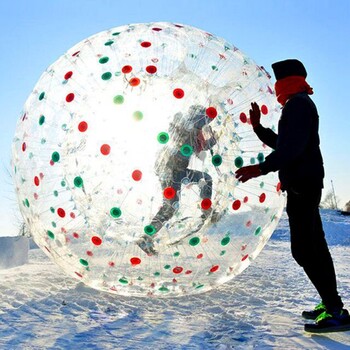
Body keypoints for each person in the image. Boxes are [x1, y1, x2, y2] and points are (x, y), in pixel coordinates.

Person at [235, 59, 349, 333]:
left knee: (304, 249)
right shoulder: (298, 105)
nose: (276, 88)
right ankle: (331, 304)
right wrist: (259, 129)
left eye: (278, 82)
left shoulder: (298, 105)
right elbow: (285, 143)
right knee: (315, 247)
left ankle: (335, 310)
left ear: (285, 83)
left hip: (303, 185)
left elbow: (292, 149)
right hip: (304, 184)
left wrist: (260, 168)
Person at [137, 105, 217, 255]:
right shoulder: (186, 127)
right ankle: (146, 237)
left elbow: (202, 146)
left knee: (203, 181)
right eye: (206, 121)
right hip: (172, 170)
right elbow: (198, 141)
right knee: (172, 206)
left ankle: (206, 211)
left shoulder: (190, 129)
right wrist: (210, 134)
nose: (207, 125)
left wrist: (213, 138)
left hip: (175, 170)